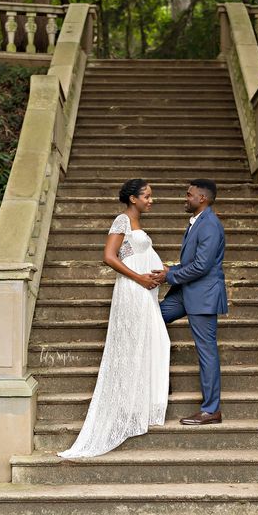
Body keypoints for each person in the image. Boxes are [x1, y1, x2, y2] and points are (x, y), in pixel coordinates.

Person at [58, 179, 170, 458]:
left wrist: (162, 271)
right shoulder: (122, 220)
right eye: (147, 196)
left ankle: (141, 405)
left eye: (150, 196)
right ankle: (127, 407)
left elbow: (143, 254)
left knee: (157, 341)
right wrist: (140, 279)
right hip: (132, 290)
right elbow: (109, 256)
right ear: (133, 199)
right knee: (134, 344)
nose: (150, 200)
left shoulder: (138, 225)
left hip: (144, 289)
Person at [153, 179, 227, 425]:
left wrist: (169, 276)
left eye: (189, 194)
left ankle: (211, 410)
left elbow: (202, 266)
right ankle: (161, 381)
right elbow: (191, 262)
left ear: (202, 198)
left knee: (207, 352)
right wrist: (170, 270)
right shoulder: (198, 222)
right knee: (152, 320)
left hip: (203, 295)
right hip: (185, 292)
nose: (186, 198)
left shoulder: (210, 225)